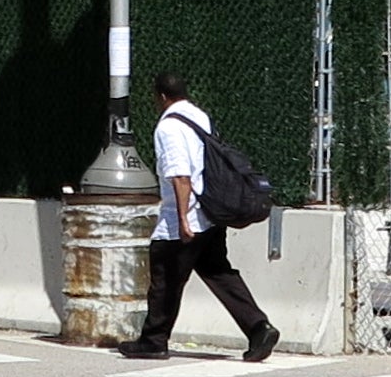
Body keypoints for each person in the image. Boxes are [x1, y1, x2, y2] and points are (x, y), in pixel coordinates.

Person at [118, 72, 278, 362]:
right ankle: (258, 327)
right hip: (210, 212)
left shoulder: (168, 127)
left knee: (165, 277)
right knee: (219, 273)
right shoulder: (199, 116)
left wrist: (181, 219)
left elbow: (180, 175)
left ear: (161, 97)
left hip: (186, 215)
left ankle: (154, 340)